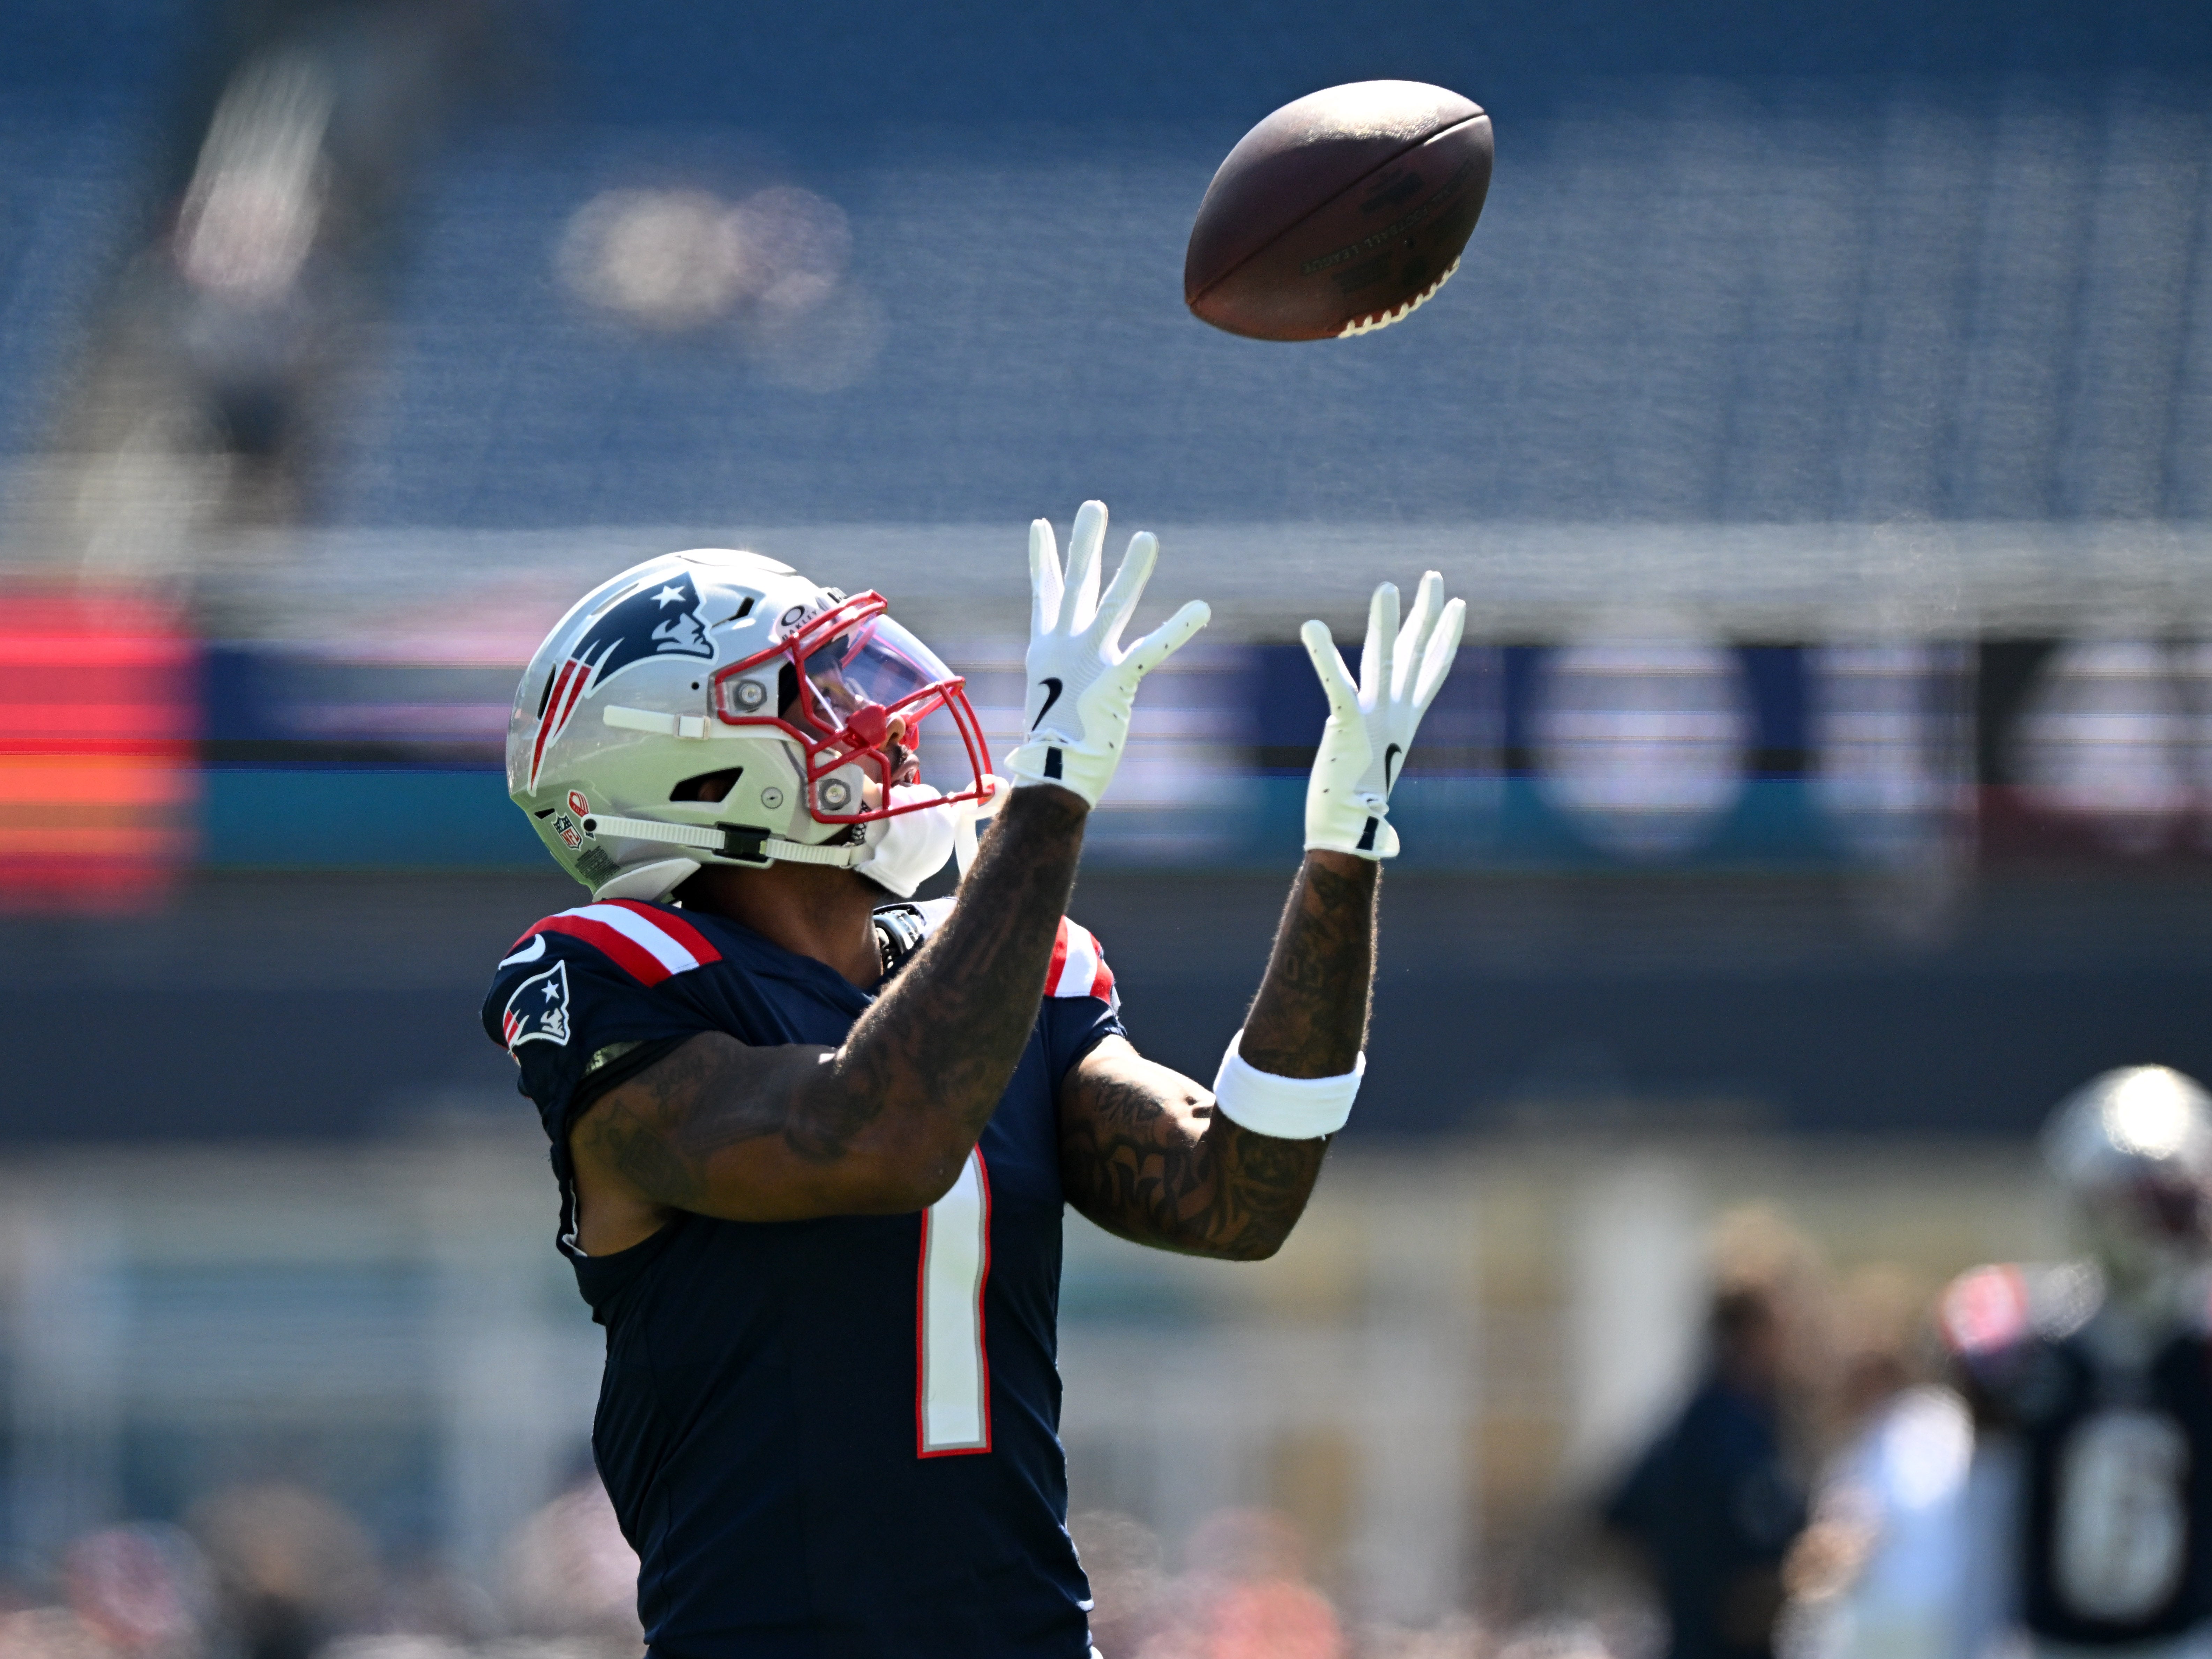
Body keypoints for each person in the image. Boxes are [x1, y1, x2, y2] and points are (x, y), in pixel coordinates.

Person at [480, 501, 1466, 1658]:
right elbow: (879, 1131)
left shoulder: (1003, 978)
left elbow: (1233, 1193)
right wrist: (1045, 794)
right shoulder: (622, 976)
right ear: (699, 770)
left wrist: (1340, 857)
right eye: (811, 695)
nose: (869, 718)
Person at [1942, 1065, 2212, 1659]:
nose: (2177, 1230)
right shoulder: (2024, 1343)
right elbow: (1984, 1532)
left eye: (2185, 1205)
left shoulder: (2198, 1349)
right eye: (2156, 1208)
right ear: (2093, 1208)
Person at [1603, 1279, 1811, 1659]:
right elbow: (1614, 1522)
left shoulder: (1752, 1419)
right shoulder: (1720, 1429)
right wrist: (1696, 1592)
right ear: (1750, 1333)